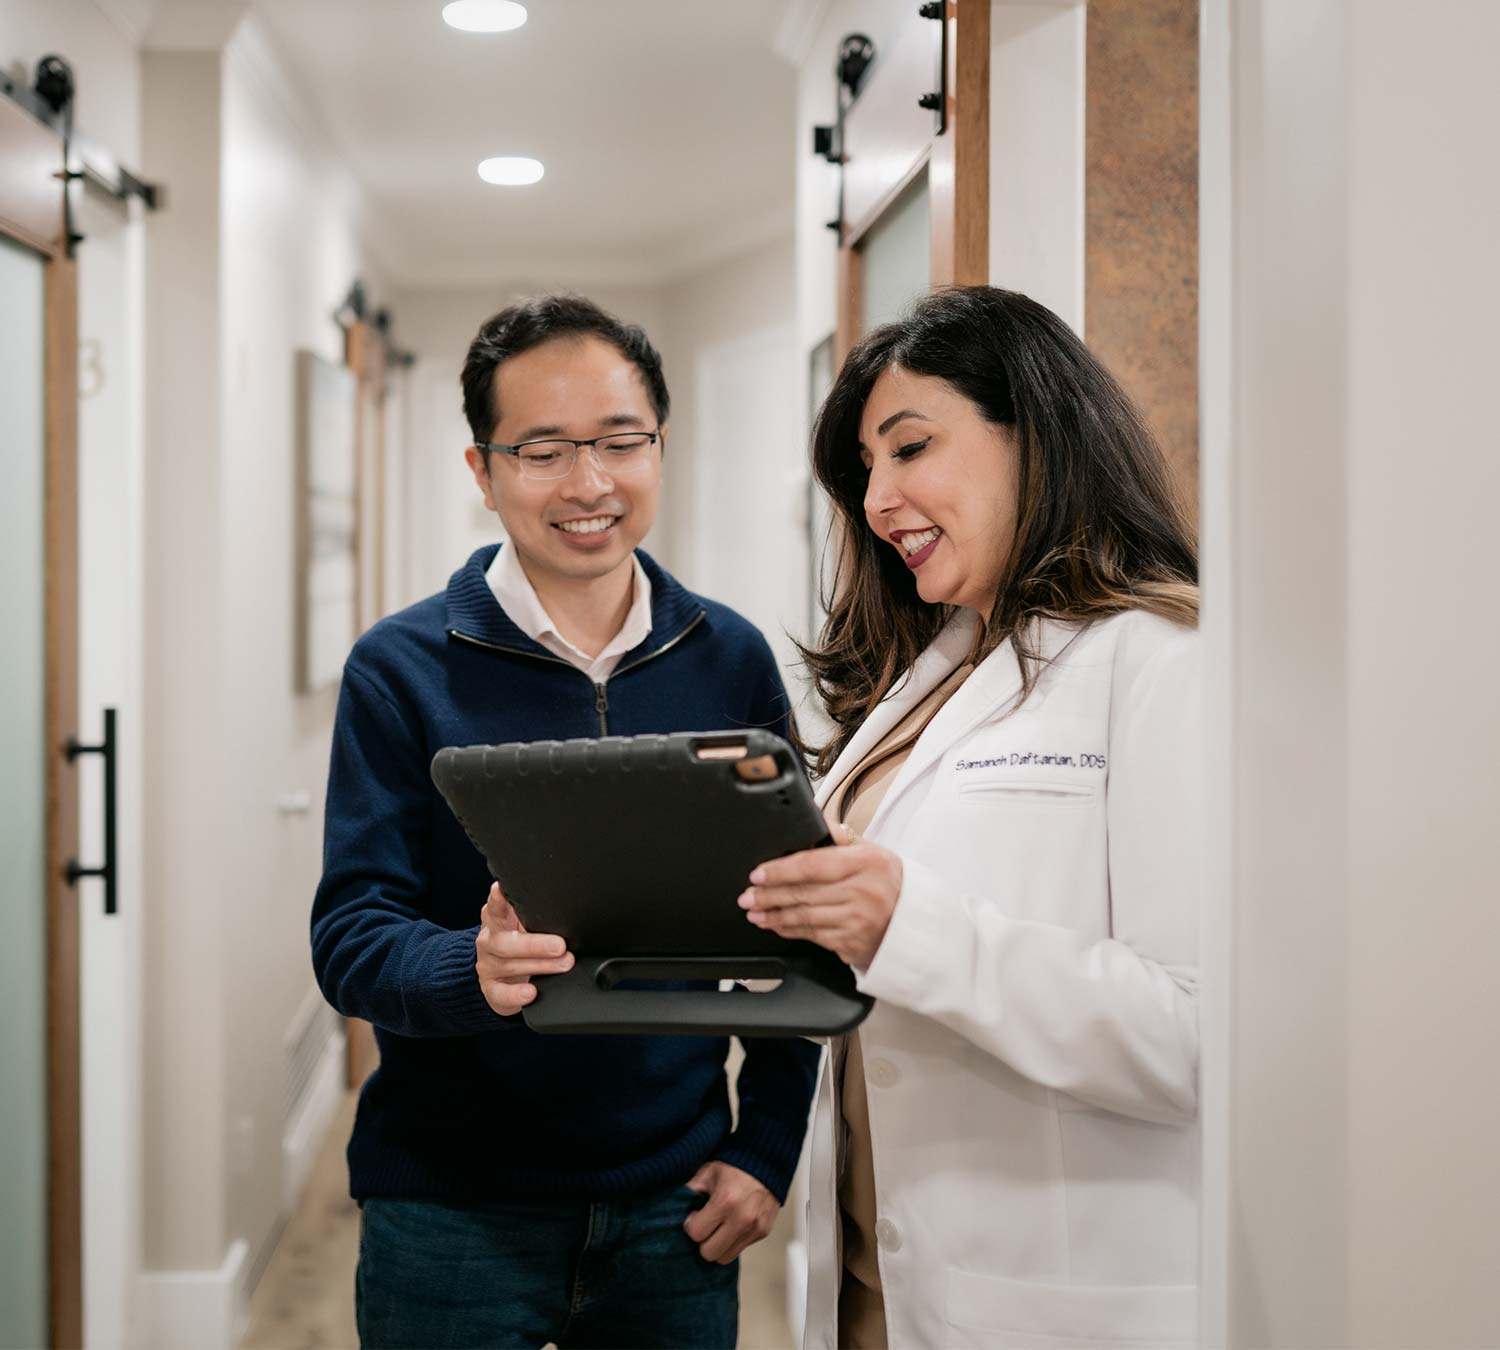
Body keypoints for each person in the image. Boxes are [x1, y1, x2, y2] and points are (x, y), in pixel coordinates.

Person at [311, 294, 821, 1349]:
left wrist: (768, 1144)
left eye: (621, 442)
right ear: (483, 470)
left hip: (675, 1200)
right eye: (543, 452)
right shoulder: (399, 670)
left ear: (661, 446)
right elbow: (350, 938)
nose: (590, 485)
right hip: (448, 1210)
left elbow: (795, 922)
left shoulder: (729, 658)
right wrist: (472, 967)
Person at [739, 287, 1203, 1350]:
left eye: (911, 448)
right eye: (865, 469)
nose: (878, 500)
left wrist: (907, 928)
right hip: (878, 1278)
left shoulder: (1162, 661)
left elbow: (1194, 1040)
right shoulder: (929, 674)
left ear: (1038, 433)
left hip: (1045, 1299)